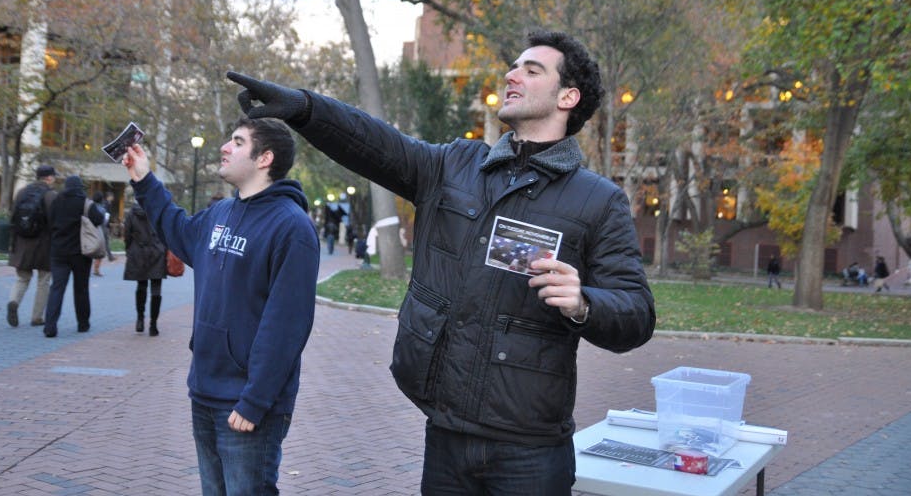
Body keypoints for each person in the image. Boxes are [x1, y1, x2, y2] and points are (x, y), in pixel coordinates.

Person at [228, 28, 656, 495]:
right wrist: (305, 109)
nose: (511, 74)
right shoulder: (455, 165)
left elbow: (636, 313)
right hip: (446, 434)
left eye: (531, 70)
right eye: (513, 66)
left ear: (567, 96)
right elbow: (374, 143)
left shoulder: (598, 201)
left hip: (531, 451)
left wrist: (584, 303)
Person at [122, 116, 320, 496]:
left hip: (247, 405)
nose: (224, 148)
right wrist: (143, 179)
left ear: (264, 158)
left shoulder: (292, 228)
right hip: (205, 391)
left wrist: (255, 401)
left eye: (237, 141)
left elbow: (287, 326)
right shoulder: (220, 214)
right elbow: (177, 229)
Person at [43, 175, 105, 337]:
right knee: (81, 289)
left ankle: (50, 326)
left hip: (58, 252)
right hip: (81, 253)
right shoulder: (85, 203)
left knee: (57, 288)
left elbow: (49, 223)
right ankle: (83, 324)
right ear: (79, 188)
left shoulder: (56, 202)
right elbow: (99, 220)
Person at [6, 164, 58, 327]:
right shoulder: (51, 195)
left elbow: (13, 216)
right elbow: (55, 221)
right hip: (43, 245)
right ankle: (37, 317)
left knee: (22, 278)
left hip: (21, 243)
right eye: (53, 177)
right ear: (49, 178)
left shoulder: (22, 192)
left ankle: (14, 301)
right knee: (44, 280)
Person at [123, 199, 168, 336]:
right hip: (157, 252)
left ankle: (140, 319)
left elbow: (127, 233)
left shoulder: (132, 213)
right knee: (156, 289)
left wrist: (129, 250)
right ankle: (153, 325)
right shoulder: (159, 210)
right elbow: (165, 232)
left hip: (138, 252)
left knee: (141, 286)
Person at [91, 190, 114, 276]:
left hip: (90, 230)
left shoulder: (89, 206)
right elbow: (104, 221)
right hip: (100, 229)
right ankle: (96, 269)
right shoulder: (102, 208)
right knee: (100, 249)